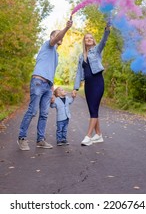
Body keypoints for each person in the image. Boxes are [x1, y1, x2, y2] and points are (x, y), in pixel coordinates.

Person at [17, 18, 73, 151]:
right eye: (59, 35)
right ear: (52, 37)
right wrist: (66, 28)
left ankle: (40, 140)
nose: (61, 37)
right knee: (32, 111)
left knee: (44, 114)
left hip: (48, 85)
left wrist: (52, 90)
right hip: (38, 82)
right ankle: (22, 138)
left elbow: (51, 72)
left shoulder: (56, 55)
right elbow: (56, 38)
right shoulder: (48, 45)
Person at [73, 22, 111, 146]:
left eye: (90, 38)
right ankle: (99, 135)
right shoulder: (81, 56)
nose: (88, 39)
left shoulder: (97, 51)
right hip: (88, 85)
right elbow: (79, 72)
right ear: (84, 41)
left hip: (97, 82)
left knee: (94, 109)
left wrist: (106, 29)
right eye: (86, 38)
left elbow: (104, 41)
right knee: (92, 110)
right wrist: (75, 88)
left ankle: (88, 136)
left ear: (93, 41)